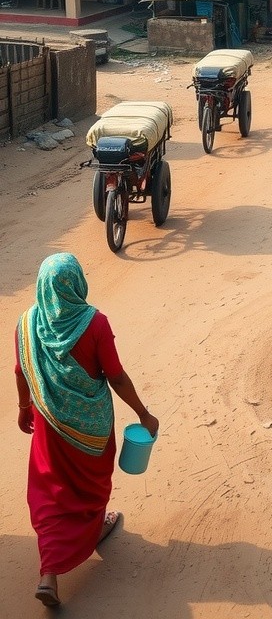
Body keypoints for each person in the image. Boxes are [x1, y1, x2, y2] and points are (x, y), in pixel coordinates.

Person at [15, 253, 159, 608]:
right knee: (91, 486)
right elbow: (116, 377)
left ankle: (49, 574)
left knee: (51, 489)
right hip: (91, 429)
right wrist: (143, 414)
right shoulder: (94, 323)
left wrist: (23, 408)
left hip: (48, 425)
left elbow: (21, 372)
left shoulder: (27, 322)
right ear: (78, 283)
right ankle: (95, 527)